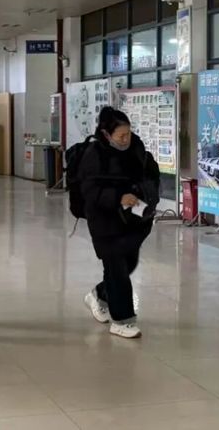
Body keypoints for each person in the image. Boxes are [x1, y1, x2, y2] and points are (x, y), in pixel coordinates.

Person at [79, 107, 160, 339]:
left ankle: (99, 294)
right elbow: (89, 190)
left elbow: (151, 174)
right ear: (106, 134)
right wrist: (118, 197)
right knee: (116, 268)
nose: (126, 139)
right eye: (121, 136)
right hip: (105, 221)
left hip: (134, 220)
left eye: (128, 134)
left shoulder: (137, 148)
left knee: (128, 264)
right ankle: (122, 320)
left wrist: (146, 193)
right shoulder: (94, 154)